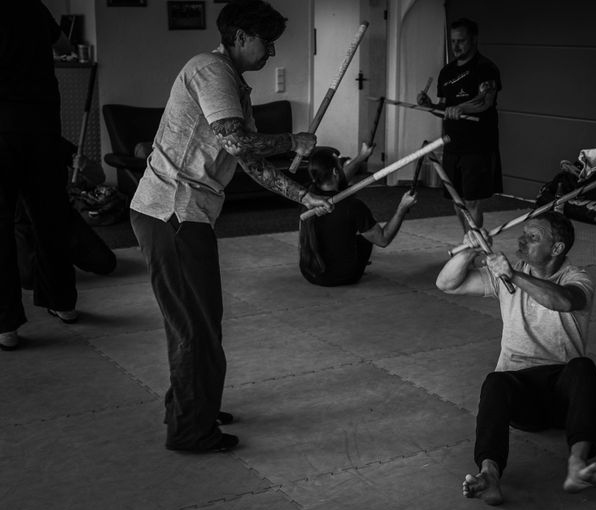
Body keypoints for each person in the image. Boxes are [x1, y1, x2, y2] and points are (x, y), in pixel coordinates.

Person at [129, 0, 332, 453]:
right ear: (240, 36)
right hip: (172, 213)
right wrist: (292, 140)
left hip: (184, 214)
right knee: (195, 327)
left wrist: (304, 196)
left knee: (202, 321)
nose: (272, 53)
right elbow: (238, 140)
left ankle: (192, 404)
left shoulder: (232, 84)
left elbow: (248, 160)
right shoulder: (210, 71)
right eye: (267, 42)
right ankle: (190, 430)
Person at [435, 212, 596, 505]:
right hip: (520, 394)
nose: (522, 240)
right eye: (523, 234)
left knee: (584, 369)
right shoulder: (506, 273)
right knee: (494, 383)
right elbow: (446, 284)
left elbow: (563, 301)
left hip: (563, 398)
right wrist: (469, 251)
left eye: (533, 237)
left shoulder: (577, 278)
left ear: (557, 249)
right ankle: (489, 475)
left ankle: (578, 462)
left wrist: (512, 275)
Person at [1, 2, 80, 351]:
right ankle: (63, 303)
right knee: (50, 218)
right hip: (42, 128)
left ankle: (6, 327)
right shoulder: (33, 6)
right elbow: (64, 47)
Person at [417, 18, 502, 233]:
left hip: (478, 146)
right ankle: (468, 241)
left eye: (461, 41)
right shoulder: (446, 73)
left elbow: (485, 101)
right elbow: (444, 109)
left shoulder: (486, 68)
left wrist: (461, 108)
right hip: (453, 144)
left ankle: (474, 246)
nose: (456, 46)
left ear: (474, 40)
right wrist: (430, 106)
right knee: (457, 200)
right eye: (453, 41)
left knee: (472, 201)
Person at [299, 145, 418, 286]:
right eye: (340, 164)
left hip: (310, 273)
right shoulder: (353, 206)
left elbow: (340, 178)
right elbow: (383, 239)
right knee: (364, 237)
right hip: (343, 276)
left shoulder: (307, 198)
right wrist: (402, 208)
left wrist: (362, 156)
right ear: (335, 172)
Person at [15, 138, 117, 291]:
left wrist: (84, 165)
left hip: (60, 216)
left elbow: (99, 177)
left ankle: (60, 252)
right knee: (30, 280)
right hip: (23, 222)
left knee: (106, 263)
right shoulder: (7, 144)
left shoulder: (54, 141)